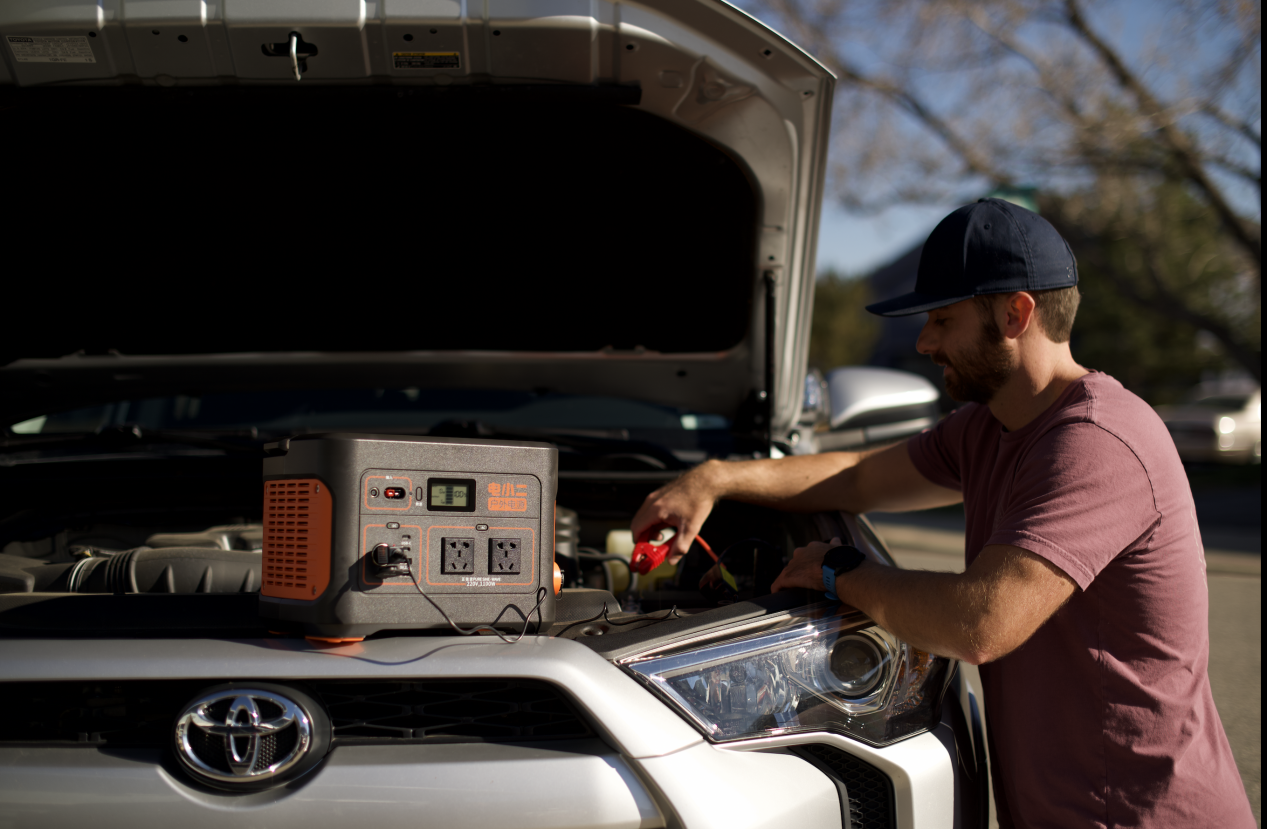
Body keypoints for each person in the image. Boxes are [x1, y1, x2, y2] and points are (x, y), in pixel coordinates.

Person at [631, 198, 1254, 828]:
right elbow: (859, 476)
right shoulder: (989, 427)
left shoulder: (1097, 441)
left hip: (1143, 816)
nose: (926, 342)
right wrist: (715, 480)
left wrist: (838, 571)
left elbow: (979, 623)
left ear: (1016, 314)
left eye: (942, 320)